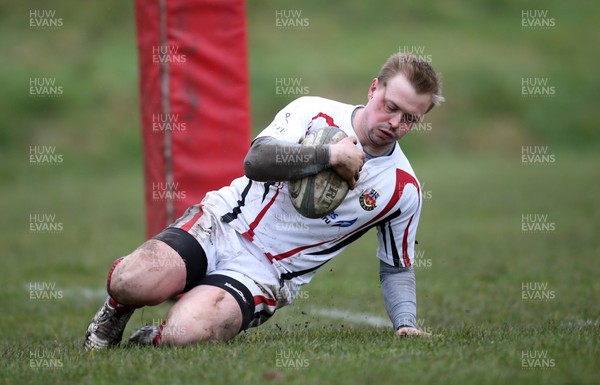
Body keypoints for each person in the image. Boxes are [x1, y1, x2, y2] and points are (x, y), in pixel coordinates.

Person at [83, 52, 444, 350]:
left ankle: (152, 340)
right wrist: (330, 155)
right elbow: (256, 161)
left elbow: (396, 266)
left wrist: (405, 323)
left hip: (266, 273)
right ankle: (114, 313)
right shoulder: (313, 110)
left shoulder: (403, 189)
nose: (394, 122)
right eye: (390, 106)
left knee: (185, 333)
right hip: (222, 222)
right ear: (373, 89)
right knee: (133, 279)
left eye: (409, 118)